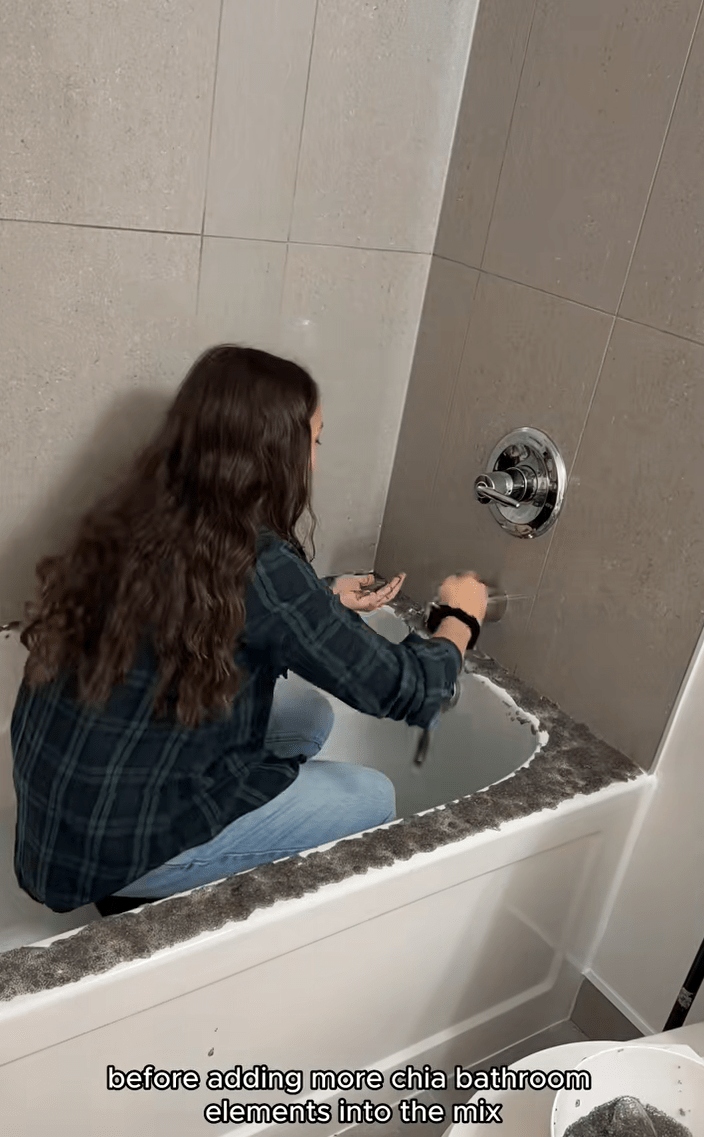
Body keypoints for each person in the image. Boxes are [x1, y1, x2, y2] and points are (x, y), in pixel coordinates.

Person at [11, 345, 488, 915]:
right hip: (118, 853)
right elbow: (411, 689)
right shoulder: (255, 563)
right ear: (272, 454)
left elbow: (213, 616)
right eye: (313, 441)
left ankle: (204, 851)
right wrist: (461, 617)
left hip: (62, 828)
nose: (314, 459)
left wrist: (322, 594)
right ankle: (162, 890)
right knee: (372, 795)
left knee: (311, 717)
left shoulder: (143, 511)